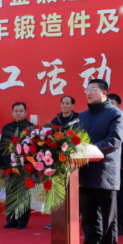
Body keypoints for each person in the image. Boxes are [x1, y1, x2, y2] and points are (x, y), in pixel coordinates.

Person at [78, 79, 123, 244]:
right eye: (87, 89)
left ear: (104, 92)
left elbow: (114, 140)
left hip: (105, 172)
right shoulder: (82, 116)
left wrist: (87, 151)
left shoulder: (116, 114)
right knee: (88, 218)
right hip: (84, 172)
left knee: (108, 218)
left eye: (92, 89)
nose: (88, 92)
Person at [0, 102, 33, 229]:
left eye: (21, 111)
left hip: (25, 166)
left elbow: (34, 148)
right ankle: (11, 219)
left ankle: (22, 220)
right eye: (16, 111)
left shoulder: (31, 128)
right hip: (9, 166)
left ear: (25, 112)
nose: (18, 113)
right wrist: (0, 163)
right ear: (12, 113)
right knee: (10, 193)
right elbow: (2, 146)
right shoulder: (6, 127)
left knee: (23, 193)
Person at [46, 96, 80, 230]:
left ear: (72, 106)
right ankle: (58, 219)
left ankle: (75, 219)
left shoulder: (78, 119)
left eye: (67, 103)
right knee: (59, 190)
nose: (64, 105)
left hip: (74, 160)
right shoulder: (55, 121)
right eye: (63, 103)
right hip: (58, 160)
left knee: (75, 191)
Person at [108, 93, 123, 236]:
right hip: (101, 164)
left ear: (118, 105)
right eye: (108, 102)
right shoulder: (102, 120)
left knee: (117, 195)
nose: (110, 105)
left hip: (118, 165)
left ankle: (119, 224)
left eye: (112, 103)